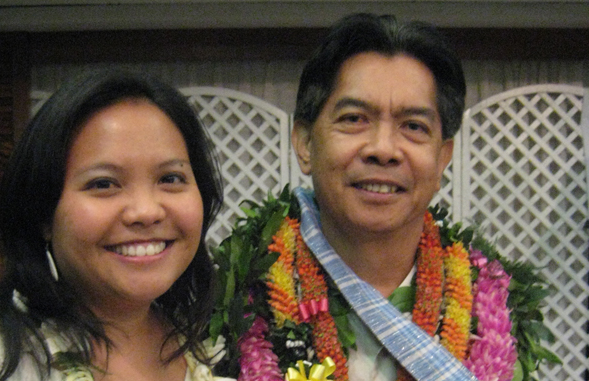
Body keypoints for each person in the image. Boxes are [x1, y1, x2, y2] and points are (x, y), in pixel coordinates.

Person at [209, 12, 555, 381]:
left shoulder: (496, 309)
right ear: (305, 142)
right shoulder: (227, 305)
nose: (383, 149)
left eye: (414, 126)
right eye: (355, 118)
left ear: (442, 159)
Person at [0, 68, 232, 381]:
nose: (146, 211)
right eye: (104, 184)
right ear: (43, 214)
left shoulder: (205, 346)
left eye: (170, 178)